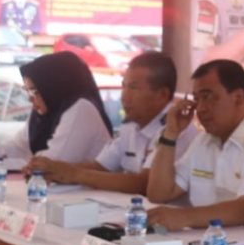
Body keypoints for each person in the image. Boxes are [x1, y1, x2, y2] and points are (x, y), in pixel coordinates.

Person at [145, 59, 244, 232]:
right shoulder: (203, 141)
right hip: (208, 240)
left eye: (208, 97)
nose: (200, 109)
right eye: (196, 99)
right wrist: (171, 134)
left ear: (238, 98)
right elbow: (159, 193)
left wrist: (183, 217)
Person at [26, 52, 196, 194]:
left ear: (162, 95)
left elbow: (144, 183)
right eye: (124, 87)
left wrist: (74, 174)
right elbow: (100, 166)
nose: (124, 96)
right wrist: (53, 170)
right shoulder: (131, 126)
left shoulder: (177, 129)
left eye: (133, 88)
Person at [0, 51, 112, 163]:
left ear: (54, 87)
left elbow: (54, 161)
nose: (30, 98)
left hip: (88, 196)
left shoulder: (81, 109)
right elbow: (19, 146)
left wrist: (26, 162)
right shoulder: (46, 110)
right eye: (28, 91)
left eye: (35, 91)